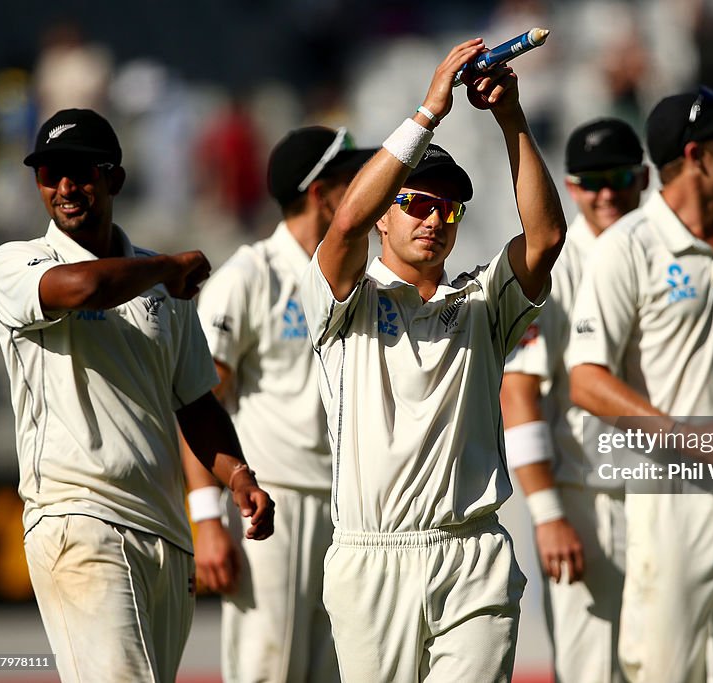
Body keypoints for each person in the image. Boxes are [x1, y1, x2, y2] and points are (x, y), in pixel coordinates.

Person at [298, 39, 566, 682]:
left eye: (448, 207)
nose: (434, 218)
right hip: (372, 559)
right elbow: (342, 227)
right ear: (385, 221)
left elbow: (547, 237)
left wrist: (511, 119)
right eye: (416, 202)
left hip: (472, 552)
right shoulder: (343, 300)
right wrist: (429, 113)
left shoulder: (482, 299)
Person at [0, 108, 274, 683]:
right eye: (50, 174)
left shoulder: (162, 284)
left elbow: (195, 402)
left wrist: (240, 478)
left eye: (81, 172)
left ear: (113, 178)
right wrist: (169, 267)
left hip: (165, 535)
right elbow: (86, 288)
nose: (65, 187)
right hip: (78, 516)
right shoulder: (14, 263)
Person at [566, 88, 713, 683]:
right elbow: (586, 381)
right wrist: (692, 442)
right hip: (673, 497)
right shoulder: (628, 246)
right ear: (698, 154)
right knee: (665, 671)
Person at [181, 126, 375, 682]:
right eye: (350, 177)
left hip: (349, 508)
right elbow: (196, 403)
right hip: (273, 507)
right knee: (269, 667)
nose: (366, 186)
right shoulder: (249, 276)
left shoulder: (354, 275)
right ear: (320, 192)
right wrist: (207, 523)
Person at [500, 117, 646, 683]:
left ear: (645, 177)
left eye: (619, 177)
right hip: (590, 498)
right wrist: (548, 514)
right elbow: (519, 390)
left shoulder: (661, 251)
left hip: (674, 487)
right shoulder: (556, 269)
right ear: (571, 186)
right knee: (593, 670)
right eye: (590, 181)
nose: (606, 192)